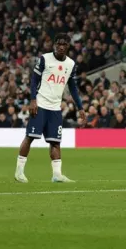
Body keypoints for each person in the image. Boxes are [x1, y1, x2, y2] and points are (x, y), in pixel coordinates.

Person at [15, 33, 84, 183]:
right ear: (54, 44)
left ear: (68, 46)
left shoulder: (71, 64)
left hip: (55, 108)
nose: (61, 46)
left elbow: (73, 88)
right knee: (30, 137)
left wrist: (81, 108)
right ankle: (19, 172)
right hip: (40, 105)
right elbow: (34, 80)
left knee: (55, 142)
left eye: (64, 44)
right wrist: (33, 100)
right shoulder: (45, 59)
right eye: (58, 43)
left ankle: (57, 175)